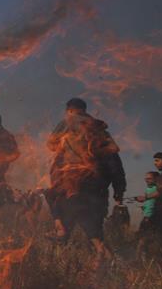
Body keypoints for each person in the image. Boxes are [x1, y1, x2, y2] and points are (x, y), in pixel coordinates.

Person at [45, 98, 126, 258]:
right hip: (97, 185)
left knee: (63, 219)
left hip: (72, 182)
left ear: (69, 110)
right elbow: (115, 162)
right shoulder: (100, 130)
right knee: (94, 228)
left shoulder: (68, 122)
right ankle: (106, 266)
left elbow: (51, 144)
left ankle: (59, 266)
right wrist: (119, 189)